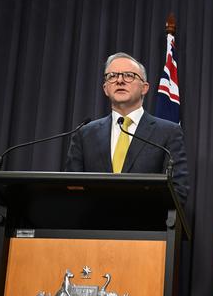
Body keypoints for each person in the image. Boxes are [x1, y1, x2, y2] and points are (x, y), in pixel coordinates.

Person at [65, 52, 189, 202]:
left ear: (144, 87)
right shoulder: (85, 134)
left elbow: (178, 190)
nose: (120, 80)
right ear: (105, 88)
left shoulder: (168, 132)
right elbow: (71, 188)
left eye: (129, 75)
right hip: (94, 223)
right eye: (112, 76)